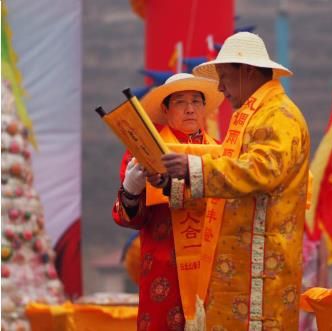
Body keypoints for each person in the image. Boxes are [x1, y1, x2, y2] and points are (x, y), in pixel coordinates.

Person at [160, 32, 311, 330]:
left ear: (248, 72)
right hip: (239, 268)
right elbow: (228, 173)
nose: (220, 87)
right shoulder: (254, 115)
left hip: (261, 273)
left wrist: (192, 168)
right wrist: (177, 179)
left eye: (225, 76)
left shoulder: (279, 115)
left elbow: (260, 170)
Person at [112, 73, 223, 331]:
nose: (190, 109)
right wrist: (131, 190)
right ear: (165, 108)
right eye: (180, 102)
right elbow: (128, 218)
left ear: (204, 108)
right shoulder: (144, 151)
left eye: (196, 101)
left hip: (211, 268)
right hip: (164, 267)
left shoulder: (220, 152)